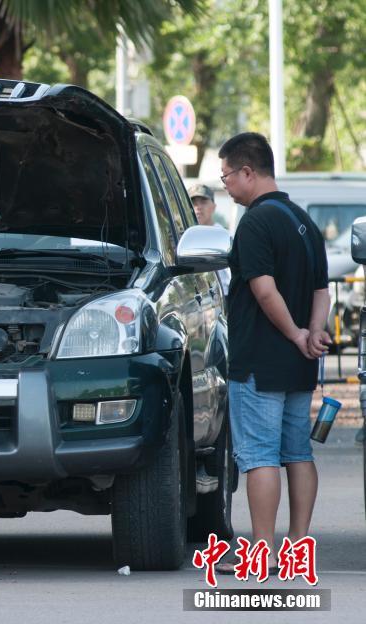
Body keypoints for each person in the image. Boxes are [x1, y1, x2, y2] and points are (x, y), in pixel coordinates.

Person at [214, 132, 330, 575]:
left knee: (260, 456)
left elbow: (263, 291)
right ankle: (298, 550)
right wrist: (312, 334)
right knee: (298, 452)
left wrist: (297, 333)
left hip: (261, 359)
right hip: (298, 363)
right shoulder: (304, 220)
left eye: (226, 175)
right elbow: (322, 290)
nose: (224, 183)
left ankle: (260, 556)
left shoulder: (256, 223)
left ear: (248, 172)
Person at [188, 183, 231, 296]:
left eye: (203, 202)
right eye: (193, 202)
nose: (198, 207)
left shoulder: (221, 235)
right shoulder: (185, 235)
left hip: (219, 298)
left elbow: (230, 275)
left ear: (214, 207)